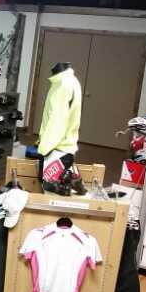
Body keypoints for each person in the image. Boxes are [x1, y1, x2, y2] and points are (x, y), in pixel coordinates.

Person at [37, 62, 85, 195]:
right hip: (66, 146)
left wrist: (44, 148)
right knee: (53, 188)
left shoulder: (62, 85)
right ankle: (72, 178)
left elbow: (57, 120)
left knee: (48, 187)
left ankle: (71, 179)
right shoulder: (72, 81)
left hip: (57, 149)